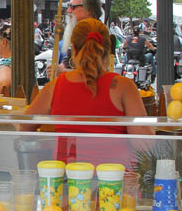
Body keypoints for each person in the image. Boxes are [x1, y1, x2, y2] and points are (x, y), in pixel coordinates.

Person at [26, 18, 152, 162]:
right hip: (113, 179)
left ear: (73, 49)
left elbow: (24, 125)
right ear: (108, 49)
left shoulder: (55, 86)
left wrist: (47, 145)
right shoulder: (124, 86)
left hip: (67, 178)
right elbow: (145, 144)